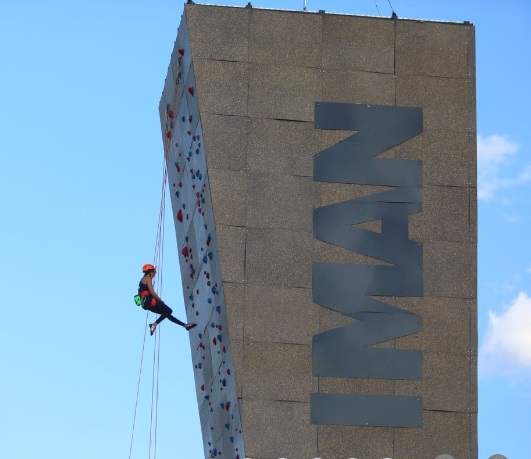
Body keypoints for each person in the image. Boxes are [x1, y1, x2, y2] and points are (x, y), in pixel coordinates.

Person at [138, 264, 196, 336]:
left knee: (166, 313)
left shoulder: (142, 280)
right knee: (169, 311)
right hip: (149, 300)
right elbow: (152, 292)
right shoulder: (147, 278)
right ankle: (154, 324)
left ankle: (185, 325)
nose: (154, 274)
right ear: (150, 272)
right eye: (153, 273)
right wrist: (160, 300)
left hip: (145, 304)